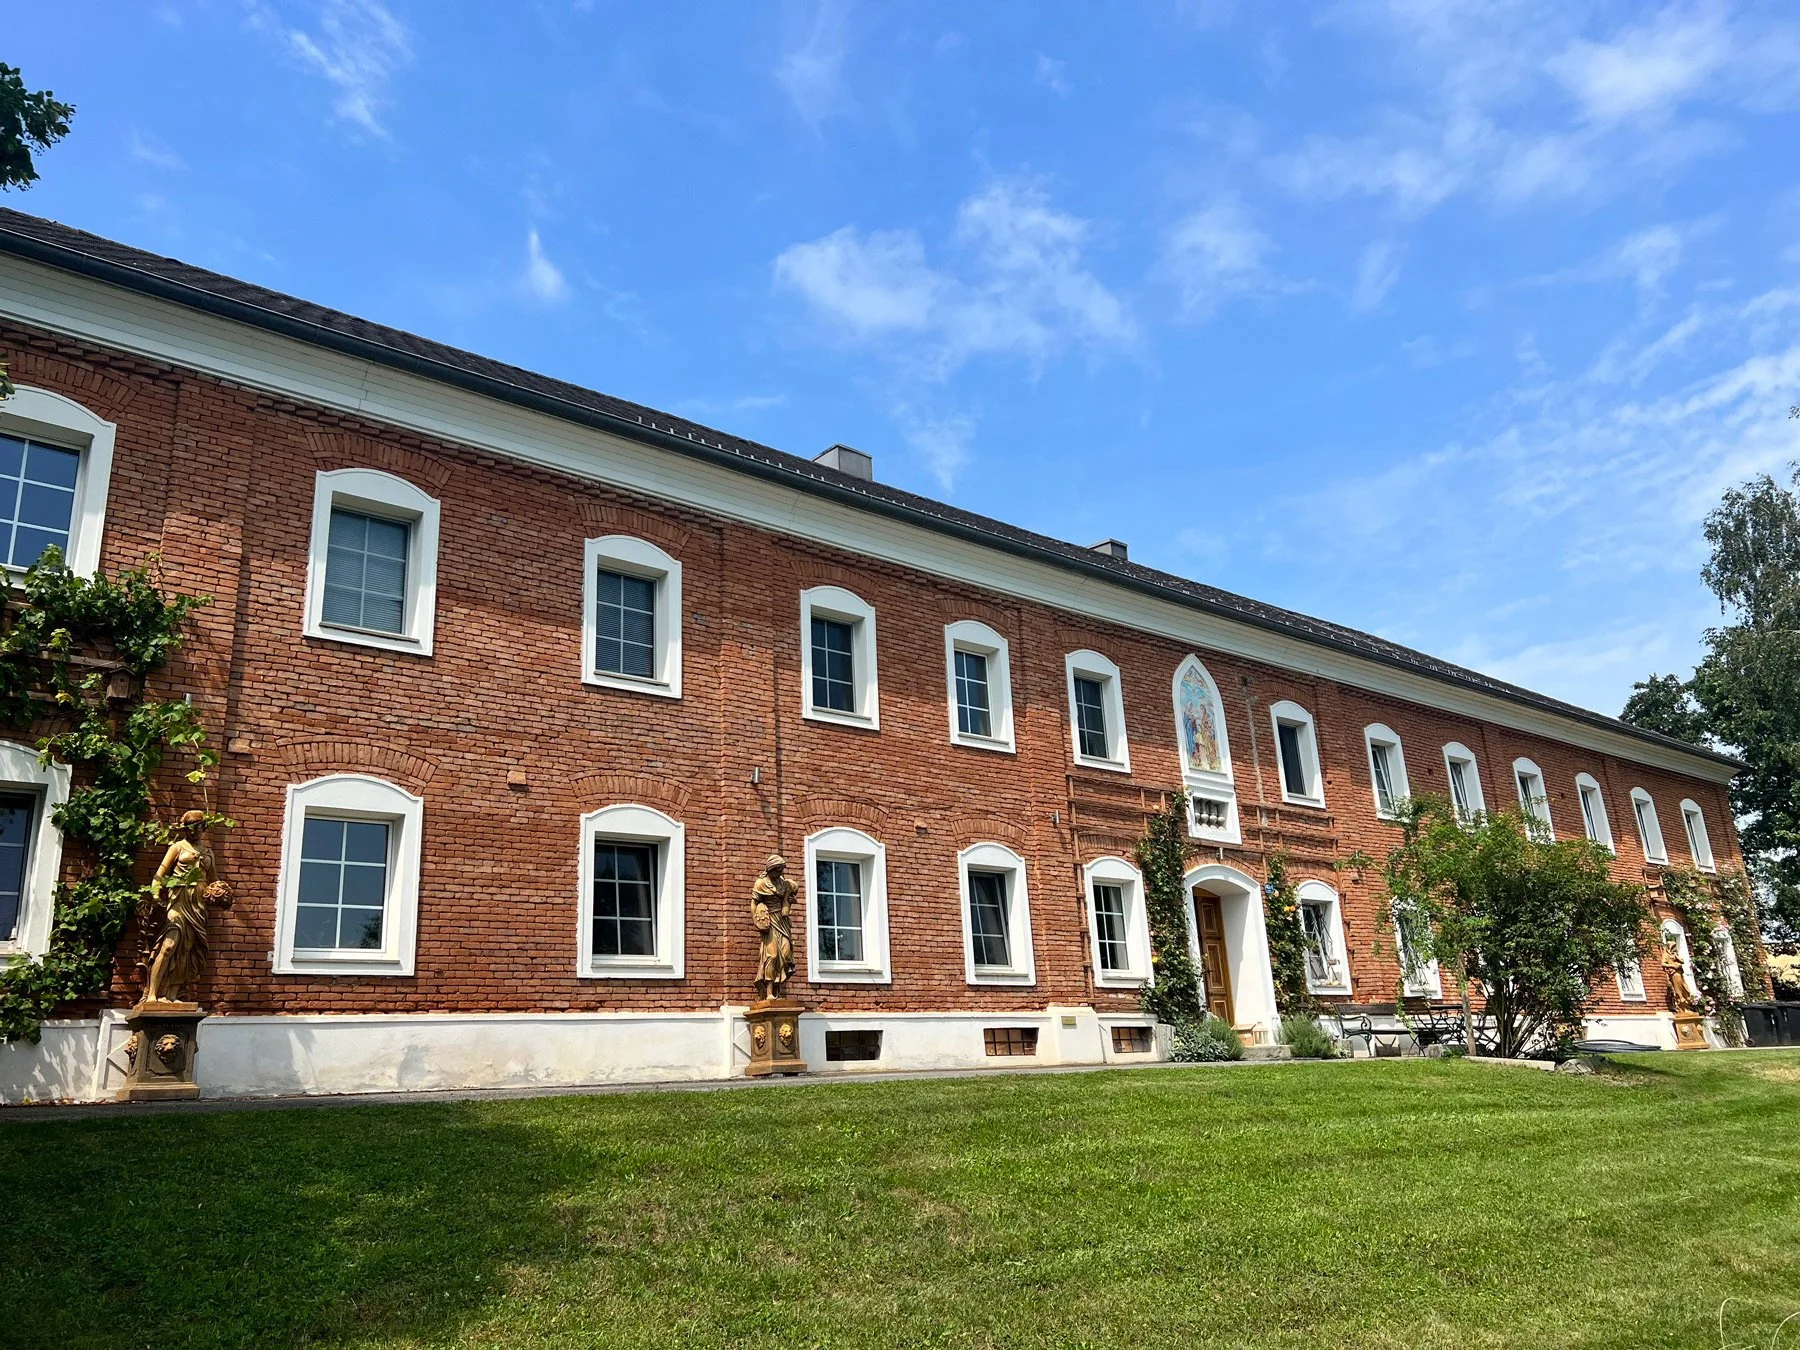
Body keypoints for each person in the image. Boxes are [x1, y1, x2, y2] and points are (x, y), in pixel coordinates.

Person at [142, 811, 230, 1005]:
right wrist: (156, 894)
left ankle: (172, 994)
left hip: (198, 905)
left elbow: (212, 880)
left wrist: (221, 893)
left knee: (186, 950)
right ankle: (152, 995)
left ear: (203, 828)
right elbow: (160, 874)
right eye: (189, 828)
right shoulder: (177, 847)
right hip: (178, 899)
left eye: (197, 828)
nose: (193, 832)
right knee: (169, 946)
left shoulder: (208, 853)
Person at [751, 853, 796, 1001]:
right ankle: (769, 992)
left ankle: (778, 989)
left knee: (786, 953)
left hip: (783, 922)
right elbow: (755, 903)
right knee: (772, 955)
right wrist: (758, 920)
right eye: (777, 870)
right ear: (770, 869)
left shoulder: (783, 883)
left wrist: (790, 899)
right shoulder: (761, 883)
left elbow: (789, 898)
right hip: (770, 921)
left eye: (782, 870)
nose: (780, 873)